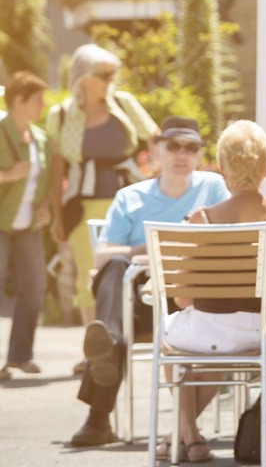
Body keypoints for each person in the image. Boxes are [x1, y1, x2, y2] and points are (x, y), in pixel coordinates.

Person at [69, 116, 230, 447]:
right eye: (173, 146)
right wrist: (145, 249)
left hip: (193, 300)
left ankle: (97, 418)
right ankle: (110, 342)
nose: (181, 155)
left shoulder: (213, 188)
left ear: (200, 154)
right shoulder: (130, 196)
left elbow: (229, 239)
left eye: (190, 147)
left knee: (113, 326)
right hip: (138, 306)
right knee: (114, 267)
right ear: (156, 150)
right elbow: (101, 254)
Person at [156, 120, 266, 462]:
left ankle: (188, 438)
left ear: (221, 169)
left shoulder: (203, 220)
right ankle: (185, 436)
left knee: (171, 340)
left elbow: (182, 300)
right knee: (214, 345)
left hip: (217, 333)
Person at [47, 44, 158, 328]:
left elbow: (156, 137)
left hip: (129, 203)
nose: (111, 81)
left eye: (113, 74)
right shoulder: (60, 114)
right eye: (104, 75)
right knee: (88, 274)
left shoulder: (123, 103)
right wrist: (57, 217)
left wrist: (154, 171)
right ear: (84, 78)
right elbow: (56, 169)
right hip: (81, 206)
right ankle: (94, 348)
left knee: (133, 269)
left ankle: (126, 339)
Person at [0, 72, 53, 381]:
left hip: (28, 226)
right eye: (37, 100)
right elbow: (17, 175)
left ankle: (20, 356)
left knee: (34, 289)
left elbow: (42, 179)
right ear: (19, 101)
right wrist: (8, 176)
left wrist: (44, 206)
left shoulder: (40, 137)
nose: (43, 105)